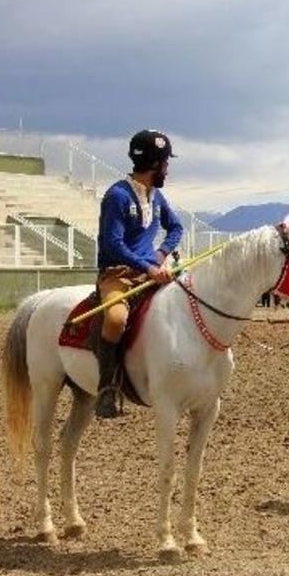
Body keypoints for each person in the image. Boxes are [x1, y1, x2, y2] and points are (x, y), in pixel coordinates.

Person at [94, 129, 183, 418]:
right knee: (117, 318)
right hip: (116, 275)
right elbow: (113, 244)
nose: (167, 170)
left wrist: (159, 256)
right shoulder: (117, 196)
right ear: (156, 165)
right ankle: (107, 389)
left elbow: (177, 228)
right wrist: (148, 267)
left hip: (149, 272)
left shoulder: (157, 197)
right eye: (166, 164)